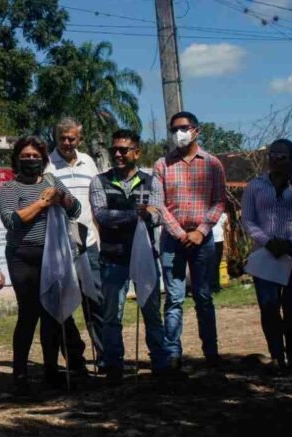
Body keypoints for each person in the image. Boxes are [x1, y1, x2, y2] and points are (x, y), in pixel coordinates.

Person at [0, 136, 83, 395]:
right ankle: (20, 373)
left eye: (36, 156)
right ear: (16, 158)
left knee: (52, 314)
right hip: (23, 257)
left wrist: (61, 199)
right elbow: (12, 221)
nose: (31, 160)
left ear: (43, 159)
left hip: (52, 255)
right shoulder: (9, 189)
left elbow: (76, 210)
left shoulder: (51, 181)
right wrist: (42, 203)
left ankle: (51, 369)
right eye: (25, 156)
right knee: (28, 314)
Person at [90, 129, 169, 384]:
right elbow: (102, 216)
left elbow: (158, 215)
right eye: (114, 150)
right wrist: (136, 215)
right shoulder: (99, 181)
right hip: (113, 258)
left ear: (137, 152)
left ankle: (160, 362)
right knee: (112, 316)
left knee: (152, 312)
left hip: (145, 256)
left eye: (124, 150)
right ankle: (114, 366)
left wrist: (147, 214)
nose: (118, 154)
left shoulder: (151, 181)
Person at [153, 111, 227, 371]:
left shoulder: (212, 163)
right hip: (173, 240)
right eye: (174, 129)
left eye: (183, 128)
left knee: (204, 297)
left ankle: (211, 352)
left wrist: (201, 231)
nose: (178, 133)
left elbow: (219, 200)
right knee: (173, 299)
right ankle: (173, 354)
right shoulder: (162, 165)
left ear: (197, 130)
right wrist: (180, 233)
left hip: (202, 239)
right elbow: (157, 204)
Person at [241, 139, 292, 372]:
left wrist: (291, 241)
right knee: (269, 306)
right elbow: (247, 218)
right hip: (266, 255)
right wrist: (267, 241)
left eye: (282, 156)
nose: (276, 160)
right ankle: (277, 357)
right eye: (272, 155)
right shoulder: (255, 185)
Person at [45, 117, 104, 370]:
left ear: (79, 139)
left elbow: (97, 200)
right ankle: (75, 358)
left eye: (72, 138)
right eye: (63, 139)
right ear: (55, 139)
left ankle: (104, 355)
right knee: (64, 305)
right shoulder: (47, 165)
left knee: (96, 301)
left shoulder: (89, 162)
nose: (67, 143)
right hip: (61, 246)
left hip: (89, 243)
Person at [211, 213, 228, 293]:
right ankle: (212, 286)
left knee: (216, 264)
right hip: (209, 240)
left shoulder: (222, 214)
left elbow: (225, 220)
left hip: (219, 240)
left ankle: (215, 286)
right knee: (211, 264)